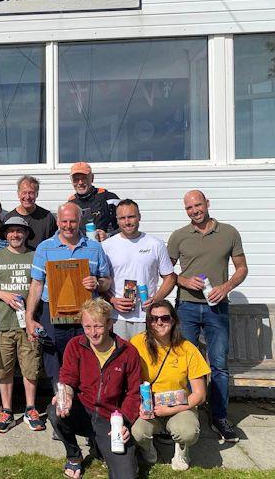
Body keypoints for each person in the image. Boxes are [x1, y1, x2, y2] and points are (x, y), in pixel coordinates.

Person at [167, 190, 248, 444]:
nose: (194, 211)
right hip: (187, 308)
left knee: (219, 365)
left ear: (207, 204)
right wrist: (183, 280)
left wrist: (227, 286)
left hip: (217, 307)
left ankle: (220, 417)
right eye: (189, 208)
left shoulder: (229, 233)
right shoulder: (178, 236)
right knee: (183, 364)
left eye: (198, 205)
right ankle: (186, 415)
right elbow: (166, 272)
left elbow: (242, 267)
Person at [47, 299, 141, 479]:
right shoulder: (75, 345)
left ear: (109, 323)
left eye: (97, 326)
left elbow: (133, 393)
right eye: (87, 326)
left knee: (126, 475)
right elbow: (68, 377)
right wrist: (65, 393)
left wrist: (125, 422)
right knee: (54, 411)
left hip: (110, 419)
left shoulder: (128, 352)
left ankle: (100, 445)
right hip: (83, 411)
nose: (92, 333)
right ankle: (74, 456)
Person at [25, 202, 112, 386]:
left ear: (80, 221)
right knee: (53, 355)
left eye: (73, 221)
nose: (68, 226)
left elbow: (107, 281)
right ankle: (61, 398)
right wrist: (29, 317)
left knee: (86, 354)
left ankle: (85, 397)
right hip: (53, 310)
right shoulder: (44, 247)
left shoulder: (95, 247)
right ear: (57, 221)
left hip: (86, 313)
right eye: (64, 221)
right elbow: (36, 283)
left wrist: (97, 282)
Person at [0, 216, 44, 433]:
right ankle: (6, 410)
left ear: (26, 234)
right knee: (3, 368)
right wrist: (4, 295)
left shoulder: (35, 256)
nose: (15, 235)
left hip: (29, 323)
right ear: (5, 234)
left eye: (20, 231)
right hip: (3, 323)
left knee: (30, 367)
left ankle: (30, 408)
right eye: (11, 231)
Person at [130, 301, 211, 471]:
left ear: (173, 320)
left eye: (165, 318)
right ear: (148, 321)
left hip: (180, 406)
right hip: (148, 406)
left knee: (187, 432)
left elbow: (200, 394)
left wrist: (170, 410)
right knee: (137, 432)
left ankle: (182, 449)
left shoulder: (187, 348)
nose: (159, 322)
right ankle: (148, 448)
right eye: (153, 318)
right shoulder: (137, 343)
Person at [102, 199, 176, 340]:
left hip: (147, 316)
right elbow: (100, 281)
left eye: (131, 217)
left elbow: (170, 277)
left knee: (147, 359)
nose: (127, 222)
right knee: (120, 359)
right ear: (117, 220)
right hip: (117, 317)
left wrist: (157, 299)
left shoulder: (155, 244)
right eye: (122, 218)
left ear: (139, 217)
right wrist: (112, 299)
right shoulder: (106, 246)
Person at [67, 162, 120, 241]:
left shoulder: (109, 198)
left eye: (84, 178)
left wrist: (108, 235)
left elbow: (126, 226)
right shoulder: (70, 204)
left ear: (92, 178)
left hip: (108, 248)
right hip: (82, 250)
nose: (80, 183)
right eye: (76, 179)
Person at [4, 175, 56, 250]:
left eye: (31, 193)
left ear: (37, 194)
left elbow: (53, 245)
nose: (27, 197)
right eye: (24, 193)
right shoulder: (9, 218)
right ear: (18, 194)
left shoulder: (47, 218)